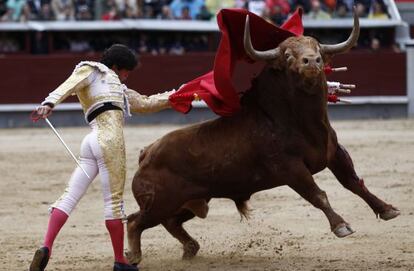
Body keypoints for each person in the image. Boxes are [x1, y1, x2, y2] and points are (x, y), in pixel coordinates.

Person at [29, 44, 174, 271]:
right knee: (114, 202)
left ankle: (46, 246)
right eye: (126, 71)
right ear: (116, 67)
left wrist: (177, 96)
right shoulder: (95, 70)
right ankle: (120, 261)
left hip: (90, 141)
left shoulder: (113, 85)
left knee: (69, 196)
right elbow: (71, 84)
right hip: (109, 142)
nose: (126, 77)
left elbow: (145, 103)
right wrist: (49, 102)